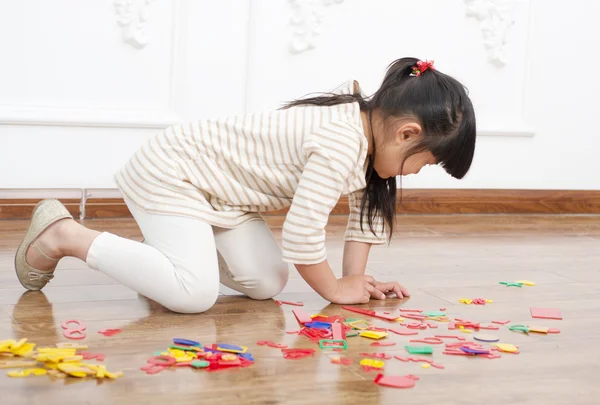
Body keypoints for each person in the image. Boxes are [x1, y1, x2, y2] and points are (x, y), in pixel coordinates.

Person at [14, 57, 476, 314]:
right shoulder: (339, 141)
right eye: (425, 163)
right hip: (174, 173)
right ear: (407, 134)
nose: (415, 173)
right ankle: (62, 234)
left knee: (266, 281)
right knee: (193, 296)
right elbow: (302, 238)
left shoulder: (368, 141)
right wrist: (335, 290)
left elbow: (363, 223)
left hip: (222, 196)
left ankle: (161, 262)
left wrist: (353, 278)